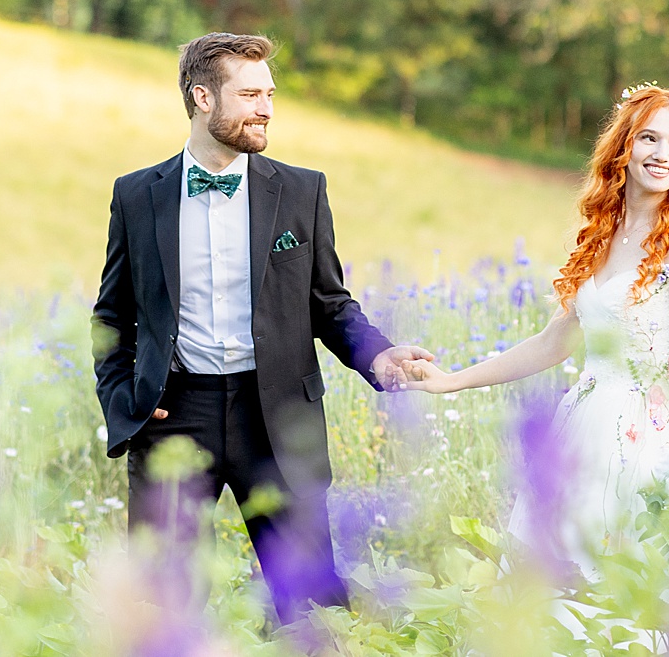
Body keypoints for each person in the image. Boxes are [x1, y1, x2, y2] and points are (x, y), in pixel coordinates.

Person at [91, 32, 434, 621]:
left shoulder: (302, 191)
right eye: (250, 95)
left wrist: (378, 357)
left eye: (270, 94)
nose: (267, 108)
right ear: (202, 97)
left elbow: (329, 303)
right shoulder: (136, 196)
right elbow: (112, 315)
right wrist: (127, 401)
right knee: (165, 611)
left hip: (276, 416)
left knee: (310, 609)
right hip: (175, 417)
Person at [397, 83, 669, 561]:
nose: (664, 154)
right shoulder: (604, 235)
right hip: (584, 431)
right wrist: (452, 381)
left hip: (649, 444)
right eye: (649, 138)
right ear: (623, 147)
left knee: (629, 591)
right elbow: (552, 343)